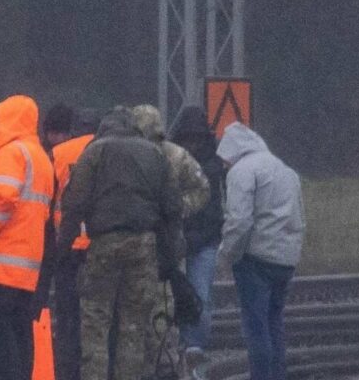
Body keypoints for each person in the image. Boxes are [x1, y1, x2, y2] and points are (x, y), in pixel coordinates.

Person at [58, 108, 179, 380]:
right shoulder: (154, 153)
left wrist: (62, 250)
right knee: (133, 324)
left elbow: (75, 204)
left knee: (96, 323)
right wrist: (170, 256)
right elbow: (172, 207)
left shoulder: (94, 152)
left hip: (103, 244)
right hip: (144, 246)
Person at [0, 95, 53, 380]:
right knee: (21, 335)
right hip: (27, 267)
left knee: (0, 341)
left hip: (1, 265)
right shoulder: (40, 157)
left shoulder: (12, 152)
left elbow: (3, 198)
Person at [218, 123, 304, 380]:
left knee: (256, 328)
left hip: (256, 260)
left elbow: (239, 222)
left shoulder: (242, 172)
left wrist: (226, 256)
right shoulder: (286, 170)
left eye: (224, 160)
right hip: (285, 259)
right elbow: (299, 216)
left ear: (231, 151)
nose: (224, 166)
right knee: (274, 324)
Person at [128, 105, 210, 377]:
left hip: (165, 245)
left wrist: (177, 209)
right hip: (138, 241)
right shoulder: (129, 155)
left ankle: (166, 366)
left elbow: (202, 189)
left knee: (165, 311)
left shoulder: (175, 156)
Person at [170, 106, 227, 352]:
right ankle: (187, 347)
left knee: (199, 297)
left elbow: (217, 211)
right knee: (182, 298)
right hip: (183, 240)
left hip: (202, 241)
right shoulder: (214, 166)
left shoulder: (214, 167)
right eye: (188, 138)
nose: (192, 144)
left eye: (196, 138)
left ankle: (194, 347)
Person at [43, 105, 93, 380]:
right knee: (99, 316)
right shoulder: (107, 151)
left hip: (67, 245)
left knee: (67, 316)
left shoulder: (58, 155)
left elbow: (48, 202)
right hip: (99, 245)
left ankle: (67, 371)